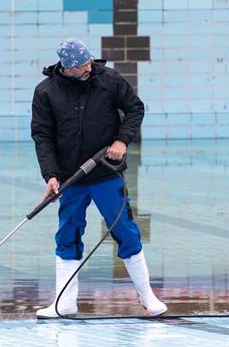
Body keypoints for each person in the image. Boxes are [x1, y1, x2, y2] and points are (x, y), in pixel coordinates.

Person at [30, 38, 166, 318]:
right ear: (67, 68)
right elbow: (42, 137)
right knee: (68, 233)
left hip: (106, 172)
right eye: (81, 65)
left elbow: (135, 109)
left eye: (89, 61)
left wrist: (122, 141)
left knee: (125, 231)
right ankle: (64, 303)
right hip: (71, 178)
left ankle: (147, 296)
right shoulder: (46, 92)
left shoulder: (109, 80)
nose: (88, 67)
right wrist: (51, 175)